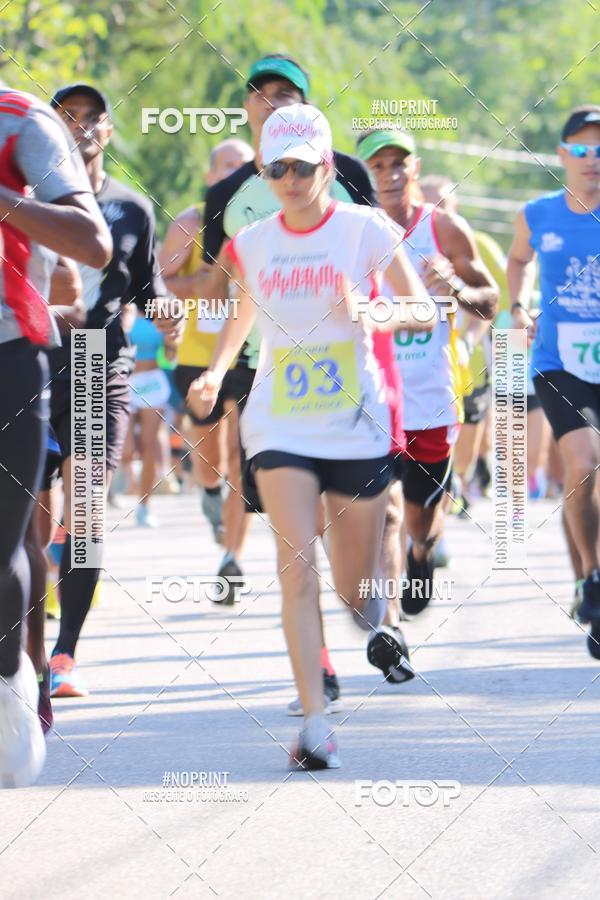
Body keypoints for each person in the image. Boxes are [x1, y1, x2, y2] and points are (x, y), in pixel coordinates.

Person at [188, 103, 434, 769]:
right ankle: (316, 722)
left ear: (327, 167)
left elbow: (420, 309)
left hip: (356, 425)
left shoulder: (363, 229)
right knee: (296, 566)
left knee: (355, 595)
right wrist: (213, 375)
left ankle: (375, 619)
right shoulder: (257, 242)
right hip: (280, 423)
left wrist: (374, 310)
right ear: (265, 174)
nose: (290, 178)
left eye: (302, 166)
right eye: (277, 168)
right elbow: (241, 316)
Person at [187, 53, 377, 713]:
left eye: (287, 94)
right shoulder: (226, 197)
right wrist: (210, 364)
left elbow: (379, 268)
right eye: (262, 95)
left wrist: (369, 308)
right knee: (291, 535)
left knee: (344, 535)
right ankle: (316, 674)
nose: (272, 104)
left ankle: (361, 595)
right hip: (261, 367)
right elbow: (222, 286)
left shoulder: (347, 176)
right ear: (246, 107)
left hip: (349, 371)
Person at [0, 84, 111, 788]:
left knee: (12, 540)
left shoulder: (21, 121)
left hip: (21, 354)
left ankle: (16, 674)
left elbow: (93, 245)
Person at [47, 82, 169, 697]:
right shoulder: (29, 203)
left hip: (102, 364)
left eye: (94, 118)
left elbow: (149, 292)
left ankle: (64, 655)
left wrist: (169, 313)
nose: (83, 127)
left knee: (88, 510)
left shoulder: (132, 209)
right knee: (33, 510)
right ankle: (24, 641)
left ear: (109, 132)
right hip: (33, 359)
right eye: (69, 117)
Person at [357, 130, 498, 623]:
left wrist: (455, 285)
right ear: (368, 175)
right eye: (379, 166)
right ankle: (390, 621)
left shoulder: (445, 229)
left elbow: (491, 303)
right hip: (373, 397)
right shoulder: (356, 230)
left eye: (399, 163)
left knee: (421, 518)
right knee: (386, 510)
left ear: (414, 168)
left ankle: (421, 554)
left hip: (431, 399)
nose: (391, 174)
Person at [508, 105, 600, 658]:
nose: (595, 161)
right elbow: (518, 262)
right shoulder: (537, 214)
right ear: (564, 155)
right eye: (584, 150)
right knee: (583, 462)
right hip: (558, 361)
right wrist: (517, 305)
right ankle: (591, 577)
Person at [161, 139, 254, 551]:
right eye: (226, 167)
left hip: (250, 354)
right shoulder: (191, 222)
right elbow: (156, 282)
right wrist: (200, 284)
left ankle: (231, 554)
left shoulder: (263, 220)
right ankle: (210, 492)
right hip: (198, 356)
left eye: (243, 167)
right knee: (211, 454)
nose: (235, 175)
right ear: (209, 177)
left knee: (241, 454)